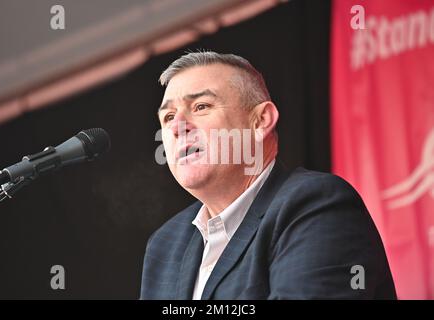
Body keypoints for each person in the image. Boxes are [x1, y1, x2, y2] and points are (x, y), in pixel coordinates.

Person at [140, 51, 396, 299]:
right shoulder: (165, 244)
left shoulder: (317, 204)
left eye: (201, 106)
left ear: (261, 120)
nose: (176, 127)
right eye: (168, 116)